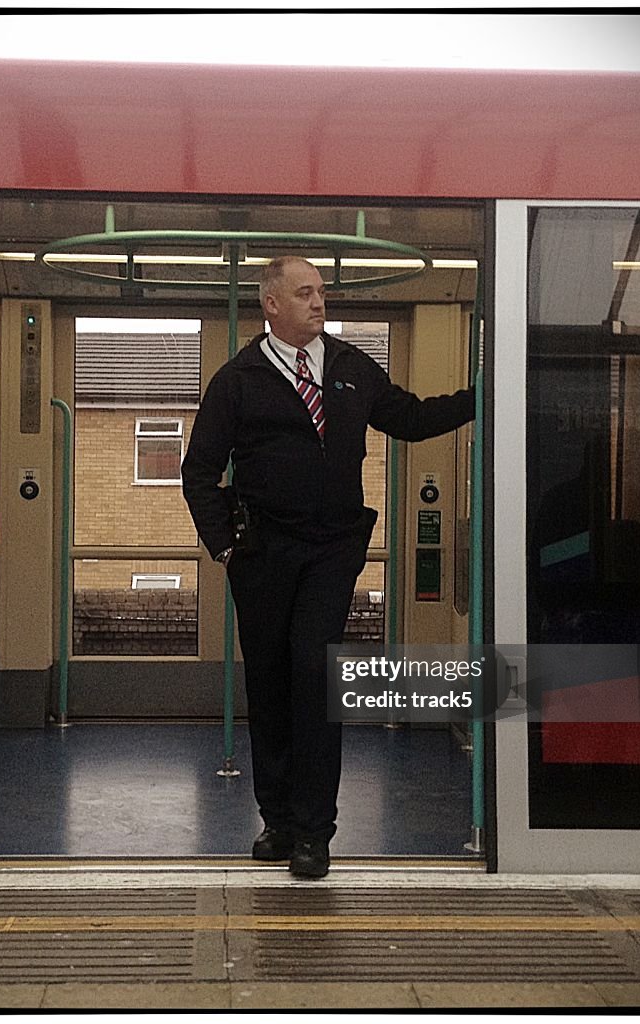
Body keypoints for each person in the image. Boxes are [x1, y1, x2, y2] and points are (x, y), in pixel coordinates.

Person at [181, 256, 474, 878]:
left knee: (315, 676)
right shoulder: (238, 380)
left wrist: (484, 396)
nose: (320, 302)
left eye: (322, 292)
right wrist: (225, 547)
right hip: (261, 556)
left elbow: (412, 418)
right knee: (270, 682)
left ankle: (315, 830)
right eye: (306, 293)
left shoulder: (347, 366)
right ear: (272, 306)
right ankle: (279, 821)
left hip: (331, 551)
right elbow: (199, 472)